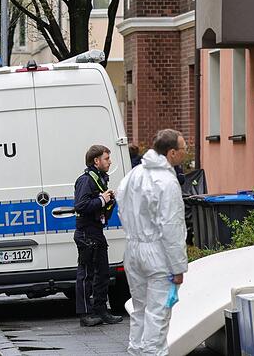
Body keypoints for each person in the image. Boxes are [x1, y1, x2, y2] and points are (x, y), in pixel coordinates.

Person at [117, 129, 188, 355]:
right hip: (158, 255)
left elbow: (121, 201)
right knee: (158, 317)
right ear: (172, 153)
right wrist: (178, 267)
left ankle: (136, 352)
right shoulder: (167, 181)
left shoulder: (135, 174)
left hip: (133, 249)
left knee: (139, 311)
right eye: (184, 149)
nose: (186, 153)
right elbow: (171, 227)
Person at [73, 144, 124, 327]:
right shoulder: (86, 180)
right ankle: (86, 314)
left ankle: (101, 311)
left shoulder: (99, 179)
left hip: (95, 231)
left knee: (102, 274)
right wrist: (102, 199)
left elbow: (99, 206)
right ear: (96, 161)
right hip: (87, 233)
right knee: (86, 274)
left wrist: (108, 199)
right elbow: (81, 205)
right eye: (106, 158)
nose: (110, 162)